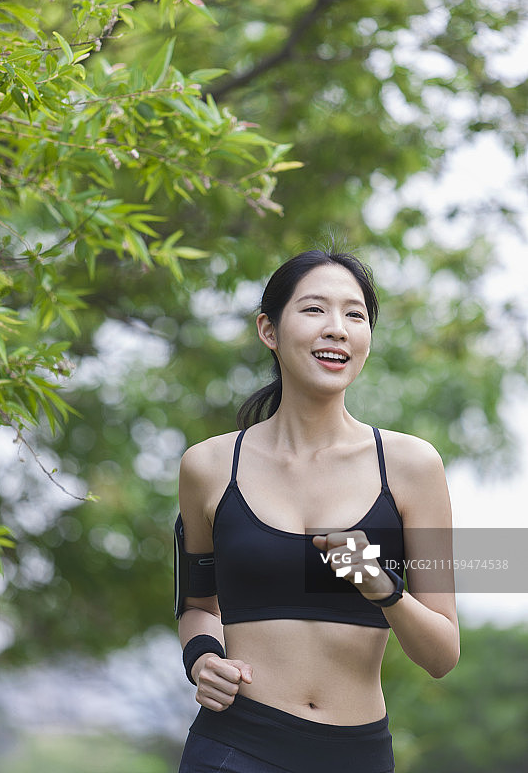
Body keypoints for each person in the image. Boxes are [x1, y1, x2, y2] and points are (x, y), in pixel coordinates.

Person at [175, 249, 459, 773]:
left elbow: (442, 655)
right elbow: (198, 605)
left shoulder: (413, 466)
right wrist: (202, 660)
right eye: (313, 310)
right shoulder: (209, 466)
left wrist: (382, 586)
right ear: (269, 330)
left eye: (355, 315)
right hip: (234, 746)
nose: (337, 329)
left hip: (355, 755)